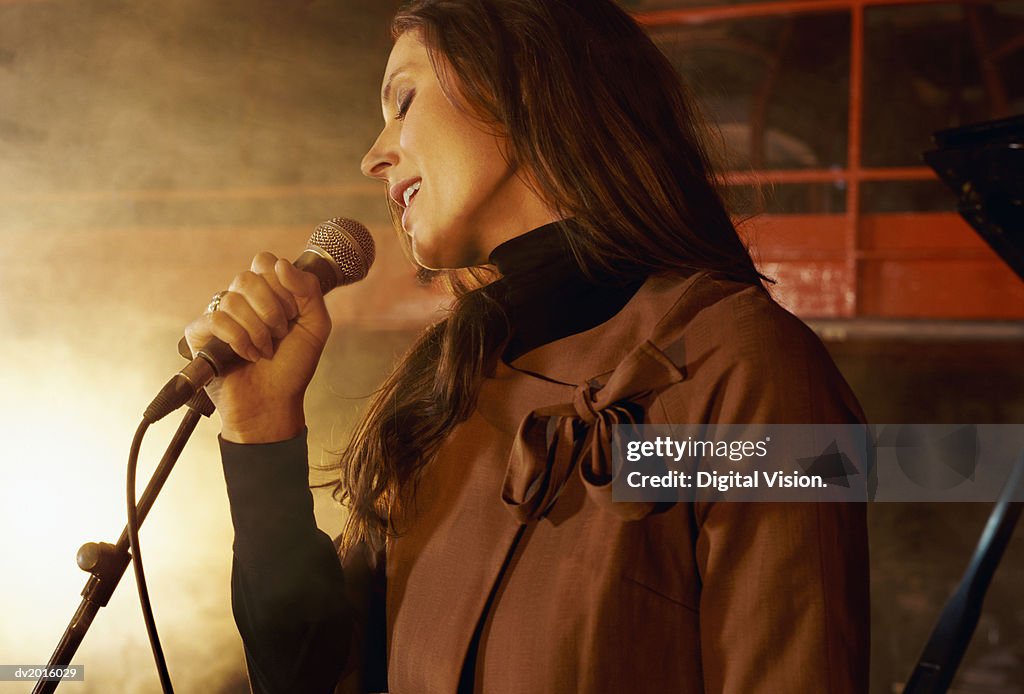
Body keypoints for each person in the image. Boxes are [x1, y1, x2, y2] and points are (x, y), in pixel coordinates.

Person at [185, 1, 870, 692]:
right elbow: (309, 679)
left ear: (526, 84)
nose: (373, 155)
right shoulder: (444, 383)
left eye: (404, 100)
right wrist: (261, 435)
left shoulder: (749, 367)